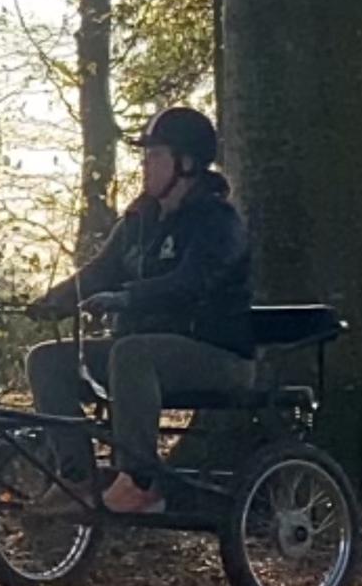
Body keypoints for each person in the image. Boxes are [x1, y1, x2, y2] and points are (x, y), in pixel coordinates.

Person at [25, 106, 254, 515]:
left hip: (215, 354)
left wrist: (127, 297)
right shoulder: (139, 220)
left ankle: (141, 482)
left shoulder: (218, 222)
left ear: (185, 164)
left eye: (154, 156)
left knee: (130, 351)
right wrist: (54, 301)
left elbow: (191, 282)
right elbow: (99, 271)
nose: (144, 166)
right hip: (140, 356)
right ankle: (77, 476)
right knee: (47, 361)